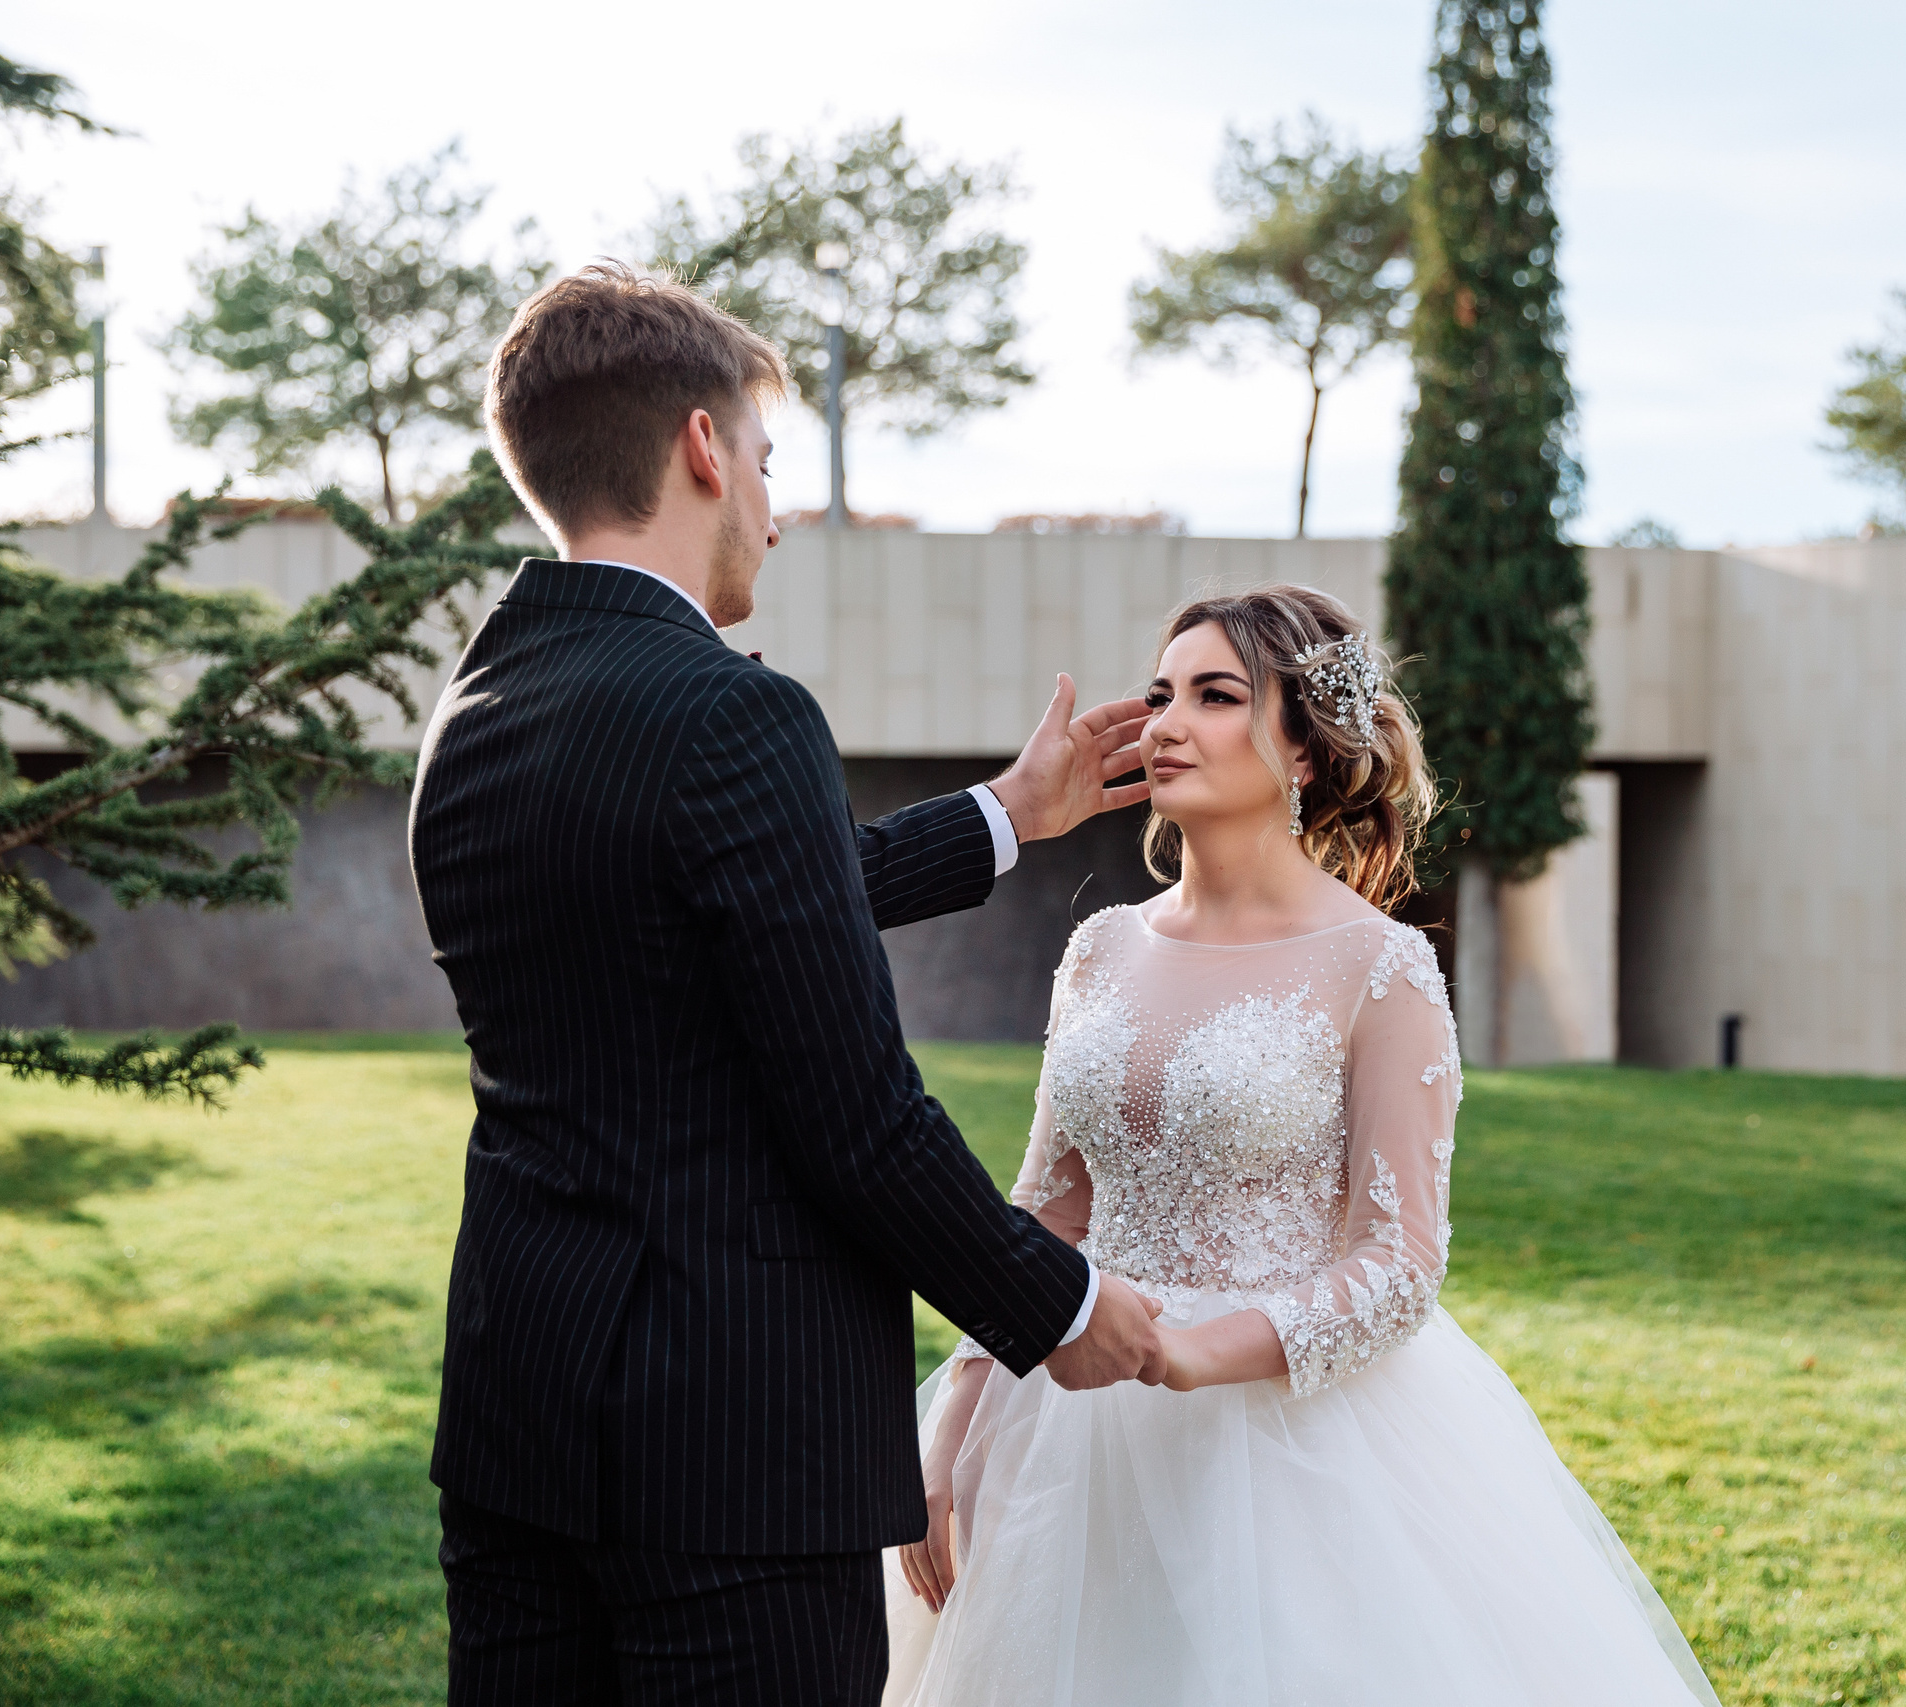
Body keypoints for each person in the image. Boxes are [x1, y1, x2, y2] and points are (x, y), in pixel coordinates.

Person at [409, 261, 1170, 1705]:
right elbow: (857, 1118)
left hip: (519, 1418)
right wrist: (1059, 1306)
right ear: (703, 446)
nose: (780, 499)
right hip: (736, 1459)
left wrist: (1006, 809)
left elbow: (707, 920)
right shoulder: (736, 712)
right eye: (768, 457)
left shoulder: (479, 715)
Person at [883, 587, 1724, 1707]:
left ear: (1307, 753)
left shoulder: (1379, 968)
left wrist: (1192, 1351)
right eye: (1163, 693)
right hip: (1063, 1432)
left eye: (1216, 697)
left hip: (1288, 1444)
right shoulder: (1098, 950)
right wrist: (954, 1431)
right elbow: (1045, 1212)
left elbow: (1399, 1266)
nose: (1167, 723)